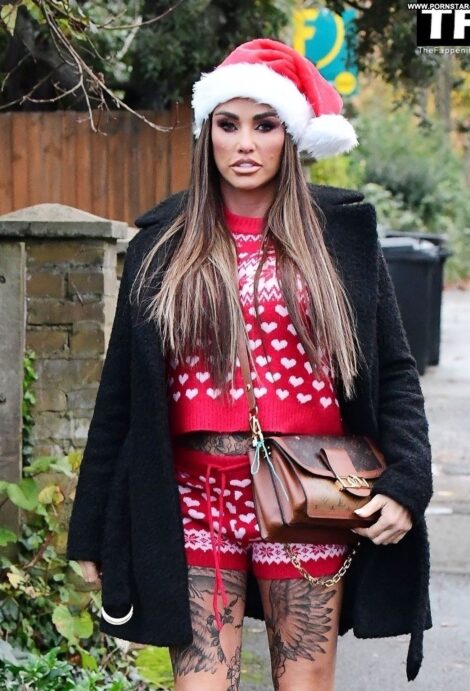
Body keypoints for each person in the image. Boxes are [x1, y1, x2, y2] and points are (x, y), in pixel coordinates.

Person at [67, 38, 433, 691]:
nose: (244, 144)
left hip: (310, 494)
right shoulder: (163, 243)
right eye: (227, 124)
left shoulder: (338, 235)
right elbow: (121, 391)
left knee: (303, 684)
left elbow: (395, 370)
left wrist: (408, 481)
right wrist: (92, 526)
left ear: (290, 136)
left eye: (264, 125)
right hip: (194, 497)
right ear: (206, 133)